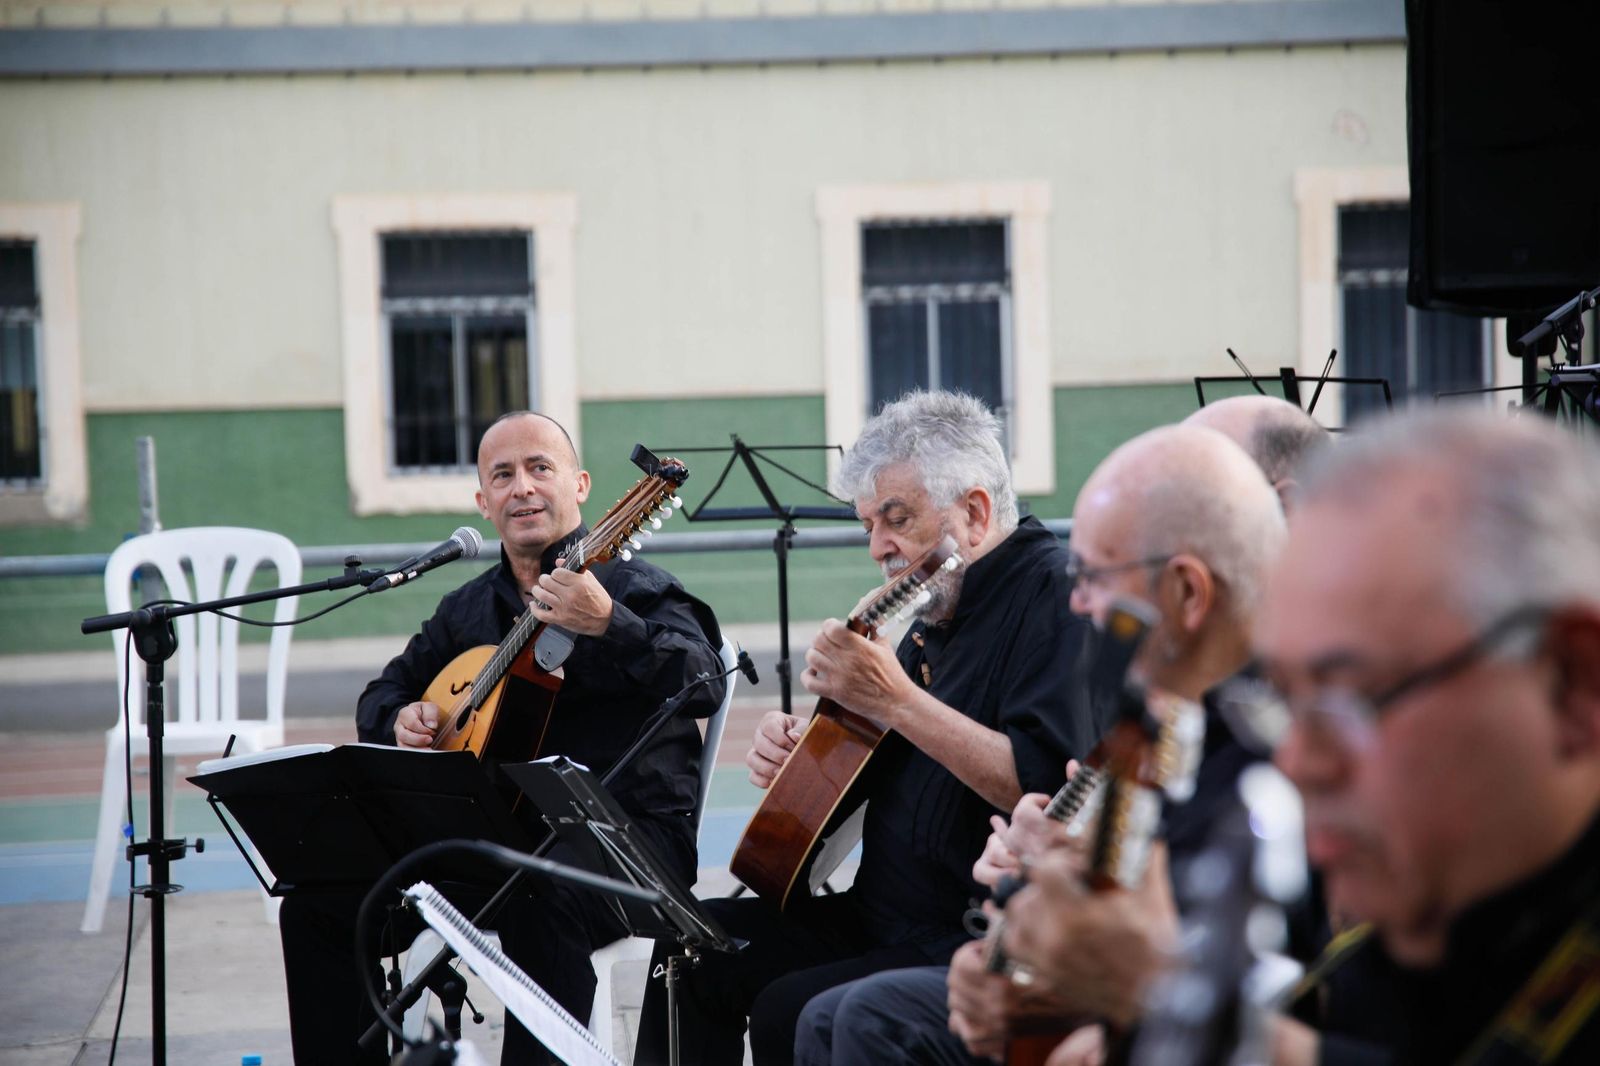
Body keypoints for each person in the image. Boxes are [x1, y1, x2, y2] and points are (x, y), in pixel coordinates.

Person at [635, 390, 1105, 1066]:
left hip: (969, 935)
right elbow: (885, 753)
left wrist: (895, 701)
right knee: (691, 946)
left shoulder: (1056, 598)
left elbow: (1044, 792)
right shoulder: (936, 608)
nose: (879, 548)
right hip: (876, 915)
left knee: (787, 1007)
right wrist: (808, 755)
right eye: (867, 526)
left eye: (898, 519)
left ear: (974, 512)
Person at [795, 422, 1288, 1066]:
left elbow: (1240, 970)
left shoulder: (1274, 754)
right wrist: (1042, 882)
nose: (1079, 601)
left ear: (1189, 591)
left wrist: (1098, 1006)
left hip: (1155, 1019)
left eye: (1096, 575)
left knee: (866, 1017)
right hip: (1099, 997)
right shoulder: (1157, 727)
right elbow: (1109, 875)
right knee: (830, 1011)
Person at [277, 411, 725, 1065]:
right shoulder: (468, 610)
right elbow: (382, 694)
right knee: (320, 906)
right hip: (492, 842)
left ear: (580, 486)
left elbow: (705, 680)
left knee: (538, 898)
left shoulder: (637, 590)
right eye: (503, 475)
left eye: (541, 468)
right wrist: (400, 719)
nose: (523, 488)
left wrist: (610, 625)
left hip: (624, 846)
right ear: (482, 501)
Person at [1258, 409, 1600, 1066]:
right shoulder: (1398, 946)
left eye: (1350, 697)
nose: (1298, 762)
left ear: (1573, 685)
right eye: (1283, 699)